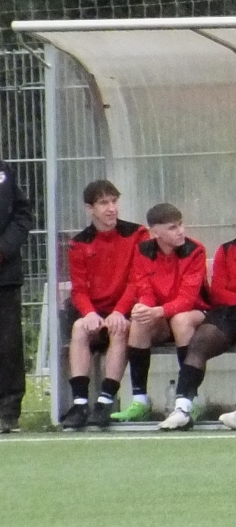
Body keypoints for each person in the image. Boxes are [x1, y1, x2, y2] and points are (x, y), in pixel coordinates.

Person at [159, 187, 236, 431]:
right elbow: (218, 293)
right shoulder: (227, 249)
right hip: (228, 311)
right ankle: (182, 408)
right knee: (199, 342)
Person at [63, 179, 148, 429]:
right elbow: (79, 289)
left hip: (125, 309)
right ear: (90, 209)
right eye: (103, 203)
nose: (111, 208)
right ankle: (80, 403)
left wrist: (120, 311)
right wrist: (89, 313)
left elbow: (137, 280)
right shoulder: (79, 243)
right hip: (96, 311)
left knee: (119, 329)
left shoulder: (137, 234)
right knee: (79, 327)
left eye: (114, 201)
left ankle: (105, 400)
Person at [113, 203, 208, 422]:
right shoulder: (142, 251)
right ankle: (140, 401)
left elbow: (188, 299)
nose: (181, 231)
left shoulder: (195, 250)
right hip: (162, 315)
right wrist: (144, 308)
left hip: (197, 312)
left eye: (181, 225)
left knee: (181, 320)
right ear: (155, 233)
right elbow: (144, 289)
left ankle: (190, 399)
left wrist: (157, 311)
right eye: (173, 228)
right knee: (139, 320)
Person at [0, 155, 33, 434]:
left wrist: (3, 250)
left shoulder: (2, 169)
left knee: (7, 344)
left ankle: (8, 412)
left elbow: (23, 214)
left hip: (4, 275)